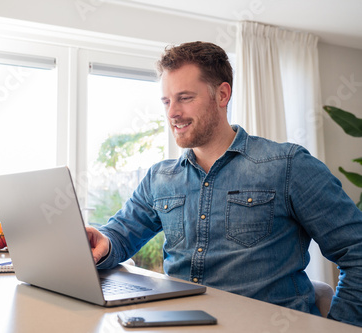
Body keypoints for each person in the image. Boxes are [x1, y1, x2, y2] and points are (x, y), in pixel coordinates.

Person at [86, 41, 362, 327]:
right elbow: (119, 235)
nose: (172, 113)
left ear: (222, 94)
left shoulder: (288, 165)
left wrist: (340, 327)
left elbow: (357, 251)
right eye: (167, 101)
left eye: (185, 98)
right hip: (179, 325)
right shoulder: (160, 177)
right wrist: (101, 242)